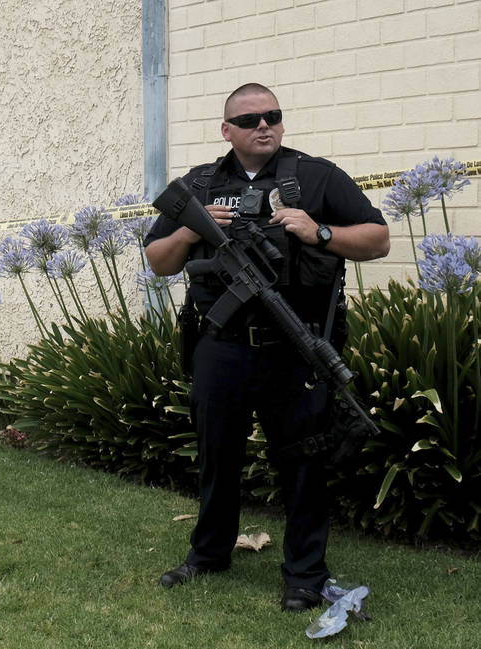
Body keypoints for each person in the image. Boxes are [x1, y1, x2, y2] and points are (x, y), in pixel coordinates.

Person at [143, 83, 390, 612]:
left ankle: (304, 575)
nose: (264, 125)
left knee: (304, 462)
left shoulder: (317, 176)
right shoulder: (202, 184)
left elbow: (378, 239)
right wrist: (191, 233)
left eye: (272, 116)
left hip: (295, 348)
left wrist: (318, 232)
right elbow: (158, 261)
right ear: (226, 130)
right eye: (250, 118)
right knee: (217, 453)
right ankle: (208, 554)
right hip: (222, 346)